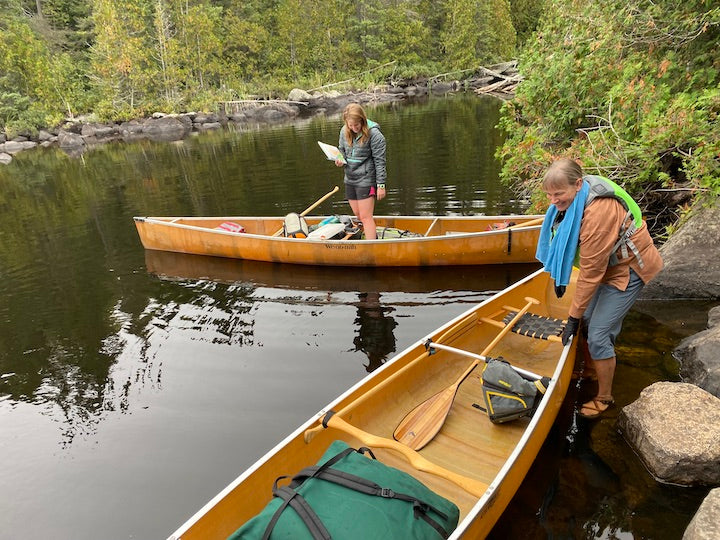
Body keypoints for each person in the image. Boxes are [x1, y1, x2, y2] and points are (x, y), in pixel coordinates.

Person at [536, 158, 663, 419]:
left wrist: (571, 317)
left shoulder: (598, 212)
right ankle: (594, 368)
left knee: (597, 334)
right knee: (587, 318)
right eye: (549, 194)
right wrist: (574, 307)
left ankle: (605, 398)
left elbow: (591, 272)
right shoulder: (575, 197)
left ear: (578, 184)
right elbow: (588, 264)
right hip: (607, 265)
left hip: (628, 269)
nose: (553, 201)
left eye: (559, 194)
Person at [335, 103, 386, 240]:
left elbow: (380, 161)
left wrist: (381, 185)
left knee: (365, 217)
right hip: (350, 178)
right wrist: (339, 159)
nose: (353, 128)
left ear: (362, 121)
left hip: (366, 179)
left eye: (356, 125)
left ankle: (372, 248)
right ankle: (371, 238)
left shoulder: (375, 135)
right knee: (358, 216)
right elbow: (342, 150)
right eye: (350, 125)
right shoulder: (344, 131)